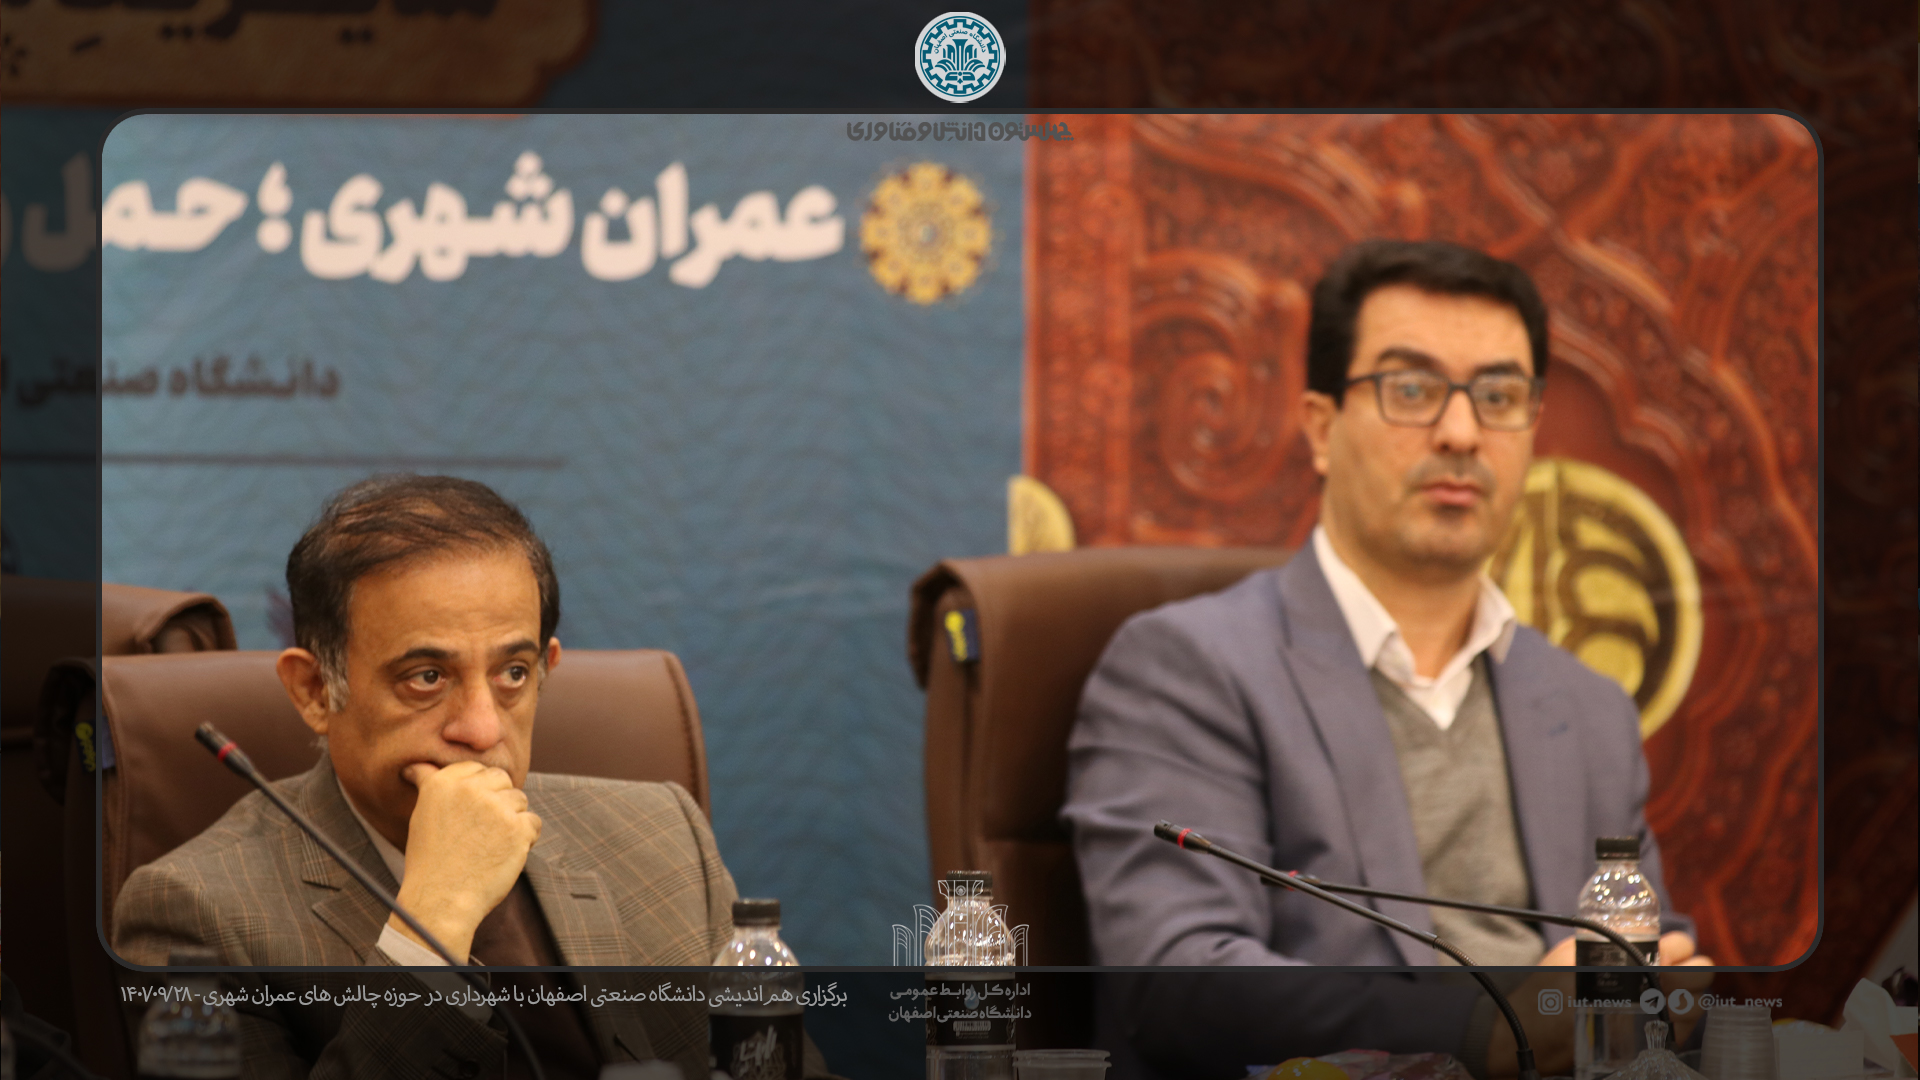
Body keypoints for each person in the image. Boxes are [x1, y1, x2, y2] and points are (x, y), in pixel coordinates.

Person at [1060, 240, 1710, 1079]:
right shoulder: (1188, 667)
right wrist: (1486, 1026)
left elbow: (1639, 959)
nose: (1462, 433)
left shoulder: (1587, 707)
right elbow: (1180, 976)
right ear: (1320, 428)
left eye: (1499, 397)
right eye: (1411, 390)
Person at [113, 474, 834, 1080]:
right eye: (427, 677)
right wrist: (433, 920)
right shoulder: (195, 913)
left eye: (513, 673)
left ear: (547, 670)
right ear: (314, 691)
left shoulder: (663, 837)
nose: (483, 730)